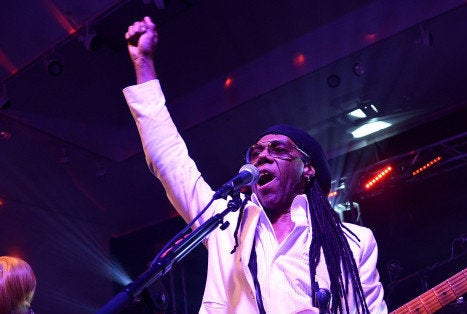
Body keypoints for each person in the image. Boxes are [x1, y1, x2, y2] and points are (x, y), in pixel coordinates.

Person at [122, 16, 387, 313]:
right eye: (256, 151)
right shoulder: (228, 227)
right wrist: (143, 62)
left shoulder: (353, 242)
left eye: (278, 149)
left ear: (307, 169)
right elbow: (170, 162)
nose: (262, 155)